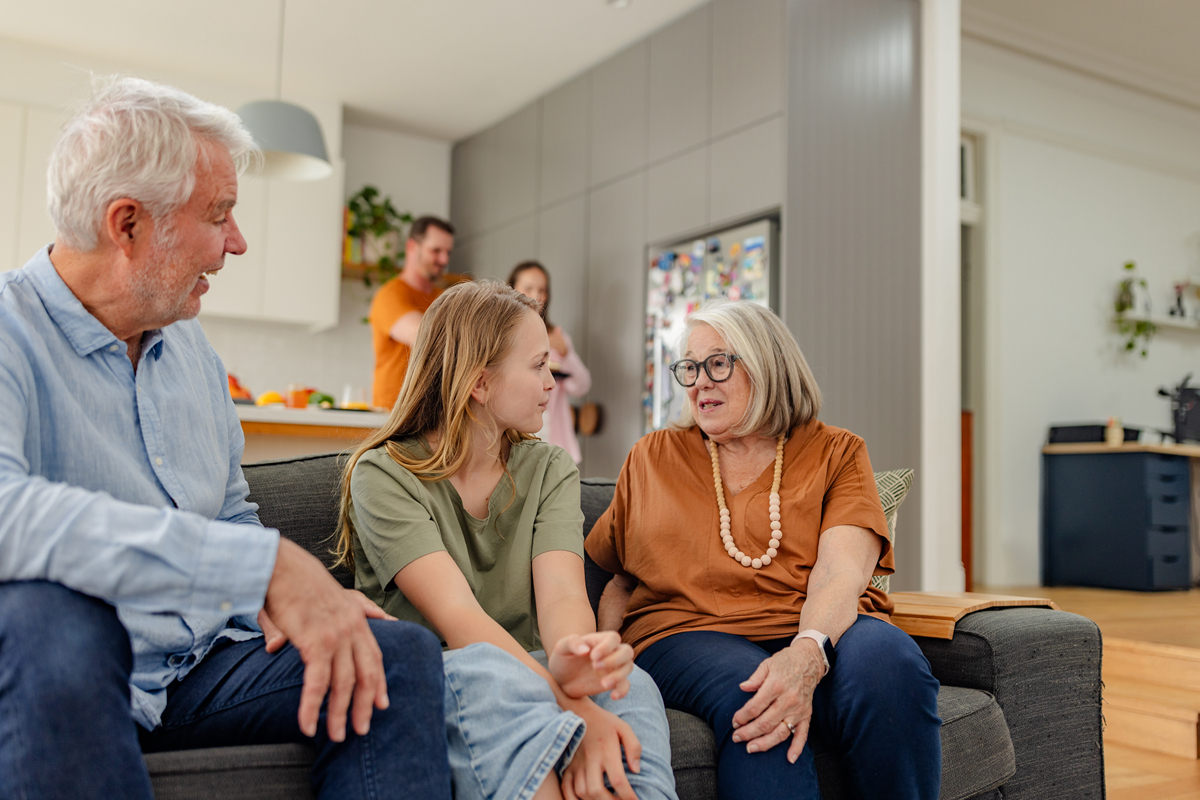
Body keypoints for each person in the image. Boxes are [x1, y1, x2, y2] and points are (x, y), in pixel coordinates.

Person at [0, 76, 451, 800]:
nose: (236, 243)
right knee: (50, 618)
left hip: (203, 662)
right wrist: (257, 567)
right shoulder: (8, 328)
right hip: (70, 666)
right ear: (128, 225)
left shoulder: (192, 353)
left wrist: (302, 600)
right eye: (220, 215)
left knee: (391, 654)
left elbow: (231, 512)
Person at [335, 281, 678, 800]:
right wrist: (577, 710)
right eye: (538, 366)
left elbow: (563, 595)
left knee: (633, 688)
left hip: (532, 664)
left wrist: (577, 663)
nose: (551, 381)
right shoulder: (383, 475)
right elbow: (459, 618)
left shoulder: (550, 467)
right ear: (480, 384)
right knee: (491, 679)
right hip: (446, 670)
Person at [586, 301, 941, 800]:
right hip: (686, 633)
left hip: (816, 626)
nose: (699, 382)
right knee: (757, 693)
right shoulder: (652, 457)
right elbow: (616, 577)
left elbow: (843, 572)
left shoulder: (836, 452)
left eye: (717, 363)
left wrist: (807, 653)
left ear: (767, 363)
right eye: (689, 367)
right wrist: (603, 670)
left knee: (889, 665)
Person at [508, 261, 591, 464]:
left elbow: (582, 386)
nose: (537, 296)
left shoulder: (557, 338)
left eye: (542, 290)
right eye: (528, 288)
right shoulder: (503, 337)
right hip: (514, 439)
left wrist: (566, 353)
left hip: (554, 439)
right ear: (511, 289)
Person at [369, 215, 455, 409]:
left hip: (431, 414)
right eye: (436, 250)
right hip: (392, 416)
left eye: (448, 252)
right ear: (412, 247)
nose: (444, 259)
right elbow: (425, 336)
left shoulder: (444, 299)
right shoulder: (389, 296)